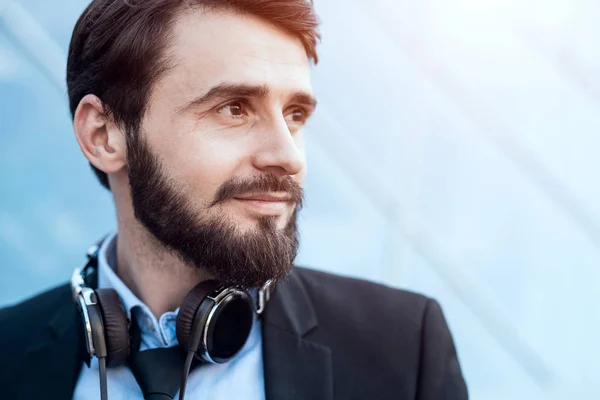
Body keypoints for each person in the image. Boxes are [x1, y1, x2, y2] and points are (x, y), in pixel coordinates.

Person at [0, 0, 468, 399]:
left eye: (295, 114)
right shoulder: (9, 355)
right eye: (234, 109)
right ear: (104, 135)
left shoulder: (402, 350)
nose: (287, 156)